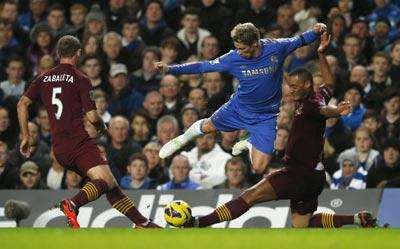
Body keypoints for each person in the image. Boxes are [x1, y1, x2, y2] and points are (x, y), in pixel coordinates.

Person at [183, 32, 377, 228]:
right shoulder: (317, 96)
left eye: (294, 87)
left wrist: (337, 111)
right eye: (289, 86)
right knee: (302, 224)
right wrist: (320, 53)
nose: (291, 91)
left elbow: (324, 111)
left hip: (296, 174)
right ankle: (356, 218)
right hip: (314, 176)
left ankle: (199, 222)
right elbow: (329, 83)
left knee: (250, 196)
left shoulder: (311, 105)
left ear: (307, 85)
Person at [17, 35, 159, 228]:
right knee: (104, 181)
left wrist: (26, 136)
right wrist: (101, 127)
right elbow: (92, 117)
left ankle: (143, 223)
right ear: (78, 54)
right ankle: (73, 204)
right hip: (78, 142)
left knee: (110, 183)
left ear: (58, 53)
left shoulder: (43, 78)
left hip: (59, 148)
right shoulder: (80, 78)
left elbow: (22, 104)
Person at [155, 22, 327, 174]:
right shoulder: (233, 58)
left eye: (243, 49)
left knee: (259, 168)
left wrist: (317, 30)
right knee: (208, 126)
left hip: (266, 116)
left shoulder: (277, 48)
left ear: (256, 43)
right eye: (237, 48)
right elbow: (202, 66)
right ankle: (182, 139)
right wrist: (170, 69)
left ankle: (249, 141)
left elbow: (301, 39)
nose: (240, 52)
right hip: (238, 108)